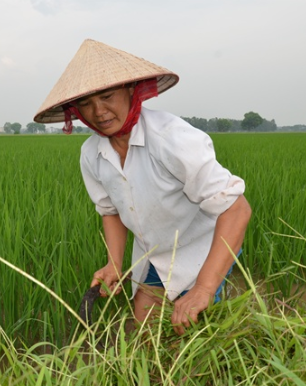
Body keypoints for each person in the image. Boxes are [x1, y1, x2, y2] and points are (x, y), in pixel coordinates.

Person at [34, 39, 251, 335]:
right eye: (86, 103)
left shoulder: (171, 138)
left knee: (195, 333)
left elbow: (236, 209)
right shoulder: (91, 154)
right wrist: (114, 264)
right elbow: (110, 211)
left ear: (131, 90)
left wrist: (202, 288)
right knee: (145, 335)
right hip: (154, 253)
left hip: (205, 247)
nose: (99, 111)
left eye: (107, 96)